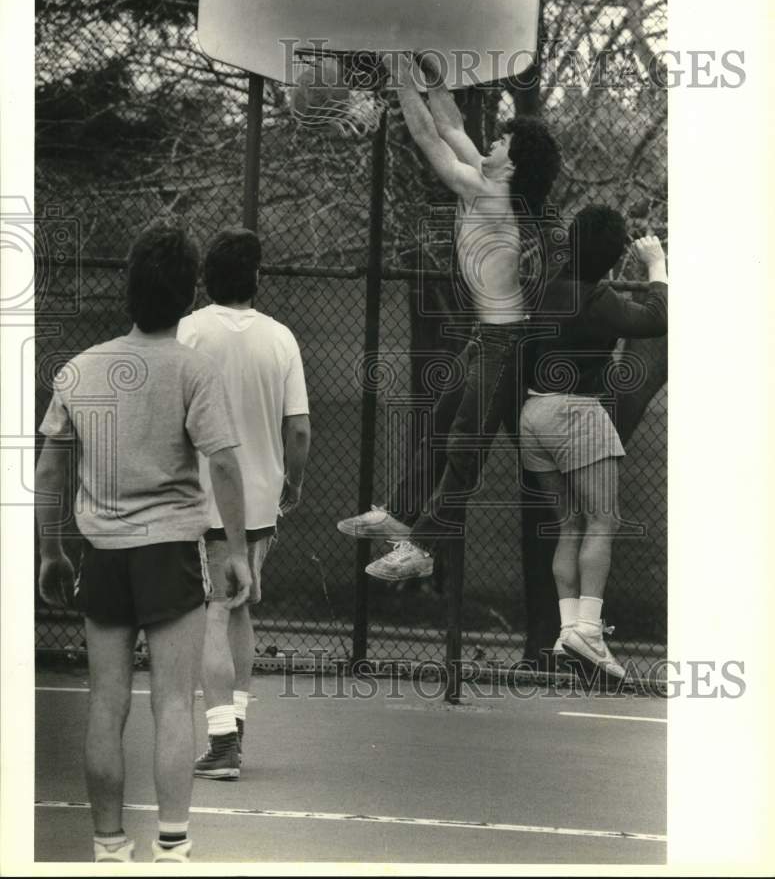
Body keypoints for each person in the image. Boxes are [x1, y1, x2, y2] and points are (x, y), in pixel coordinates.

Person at [35, 221, 251, 864]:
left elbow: (49, 469)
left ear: (128, 290)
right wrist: (235, 551)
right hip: (170, 552)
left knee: (104, 704)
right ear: (189, 297)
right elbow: (226, 465)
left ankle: (107, 848)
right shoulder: (194, 369)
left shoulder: (80, 369)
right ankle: (173, 849)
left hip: (102, 553)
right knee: (171, 706)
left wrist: (50, 549)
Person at [338, 50, 561, 581]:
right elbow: (453, 124)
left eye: (503, 141)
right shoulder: (492, 176)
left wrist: (399, 77)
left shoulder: (490, 193)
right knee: (441, 427)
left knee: (464, 446)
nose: (493, 143)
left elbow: (430, 140)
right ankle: (399, 514)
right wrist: (430, 77)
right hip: (488, 338)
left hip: (506, 344)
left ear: (513, 162)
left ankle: (424, 548)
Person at [177, 227, 311, 781]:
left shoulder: (187, 331)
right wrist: (292, 482)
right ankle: (233, 730)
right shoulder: (280, 338)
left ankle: (222, 741)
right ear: (256, 277)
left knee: (213, 609)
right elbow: (298, 430)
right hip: (258, 498)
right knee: (239, 607)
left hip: (201, 496)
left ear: (207, 277)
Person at [519, 207, 668, 677]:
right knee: (604, 519)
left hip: (534, 413)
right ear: (613, 255)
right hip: (576, 413)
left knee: (569, 524)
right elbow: (655, 319)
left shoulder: (545, 288)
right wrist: (657, 265)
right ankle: (588, 630)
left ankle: (568, 632)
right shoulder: (598, 297)